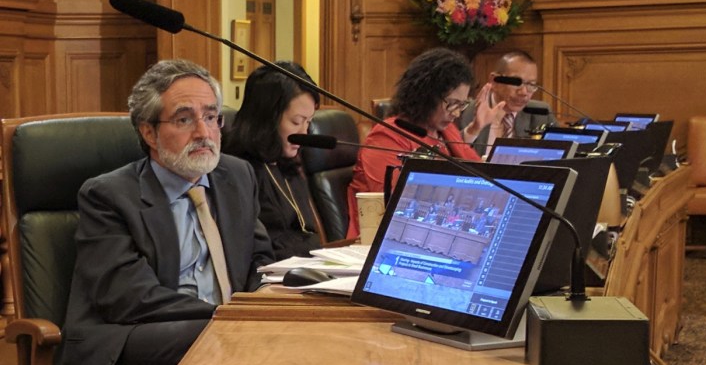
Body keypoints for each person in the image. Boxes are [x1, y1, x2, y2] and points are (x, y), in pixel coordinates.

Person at [55, 59, 275, 365]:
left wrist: (269, 297)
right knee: (210, 340)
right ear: (148, 132)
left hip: (229, 329)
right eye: (185, 119)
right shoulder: (108, 196)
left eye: (212, 116)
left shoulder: (238, 175)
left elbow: (259, 260)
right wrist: (225, 317)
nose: (204, 132)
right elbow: (127, 296)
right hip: (136, 344)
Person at [346, 47, 484, 239]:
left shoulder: (445, 129)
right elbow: (395, 203)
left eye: (462, 105)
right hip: (384, 237)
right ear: (426, 95)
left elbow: (482, 175)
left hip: (441, 227)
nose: (456, 113)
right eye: (451, 103)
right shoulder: (387, 136)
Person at [224, 62, 323, 260]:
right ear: (267, 118)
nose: (304, 132)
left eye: (308, 122)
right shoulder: (238, 170)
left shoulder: (287, 162)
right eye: (296, 122)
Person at [460, 50, 559, 158]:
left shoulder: (541, 114)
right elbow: (449, 154)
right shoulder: (463, 113)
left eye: (531, 85)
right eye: (516, 83)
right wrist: (474, 129)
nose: (524, 92)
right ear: (494, 80)